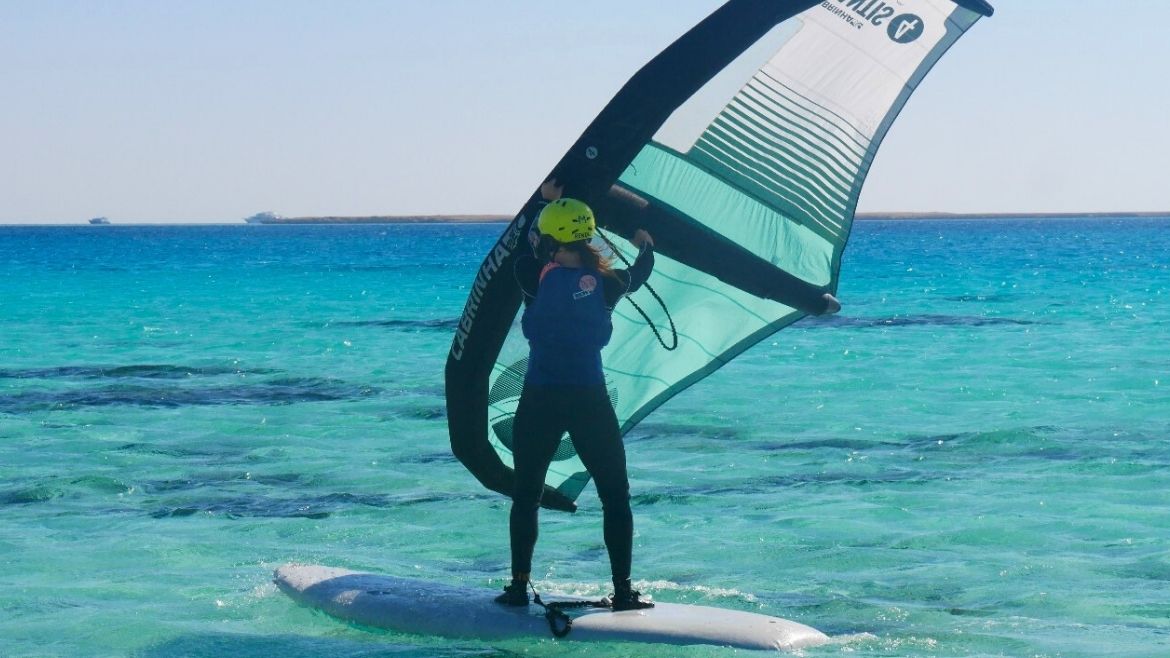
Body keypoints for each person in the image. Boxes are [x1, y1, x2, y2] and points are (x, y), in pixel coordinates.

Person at [495, 180, 656, 611]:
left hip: (540, 398)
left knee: (526, 495)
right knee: (615, 496)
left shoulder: (530, 274)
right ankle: (623, 592)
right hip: (590, 401)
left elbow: (527, 246)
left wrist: (544, 203)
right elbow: (641, 271)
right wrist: (643, 243)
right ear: (588, 237)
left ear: (549, 238)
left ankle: (517, 588)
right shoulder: (610, 283)